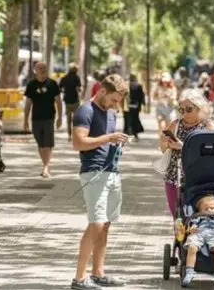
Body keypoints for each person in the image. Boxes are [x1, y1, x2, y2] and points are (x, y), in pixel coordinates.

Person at [71, 74, 129, 289]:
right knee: (95, 223)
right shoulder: (85, 111)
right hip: (93, 172)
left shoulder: (111, 113)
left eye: (118, 101)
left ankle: (98, 272)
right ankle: (79, 278)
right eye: (113, 99)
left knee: (105, 225)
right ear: (103, 91)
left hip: (112, 171)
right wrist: (108, 138)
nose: (115, 105)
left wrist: (117, 143)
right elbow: (78, 143)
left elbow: (105, 139)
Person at [159, 89, 214, 218]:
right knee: (177, 217)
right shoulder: (175, 124)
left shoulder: (208, 126)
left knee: (196, 217)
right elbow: (164, 151)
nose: (184, 113)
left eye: (188, 109)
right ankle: (179, 238)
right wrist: (164, 142)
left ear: (198, 107)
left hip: (198, 178)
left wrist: (182, 146)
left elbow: (208, 152)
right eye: (181, 110)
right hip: (173, 176)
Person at [181, 195, 214, 288]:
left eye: (212, 208)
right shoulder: (199, 218)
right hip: (199, 233)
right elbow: (194, 226)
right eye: (205, 209)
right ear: (200, 212)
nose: (209, 210)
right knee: (192, 247)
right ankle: (189, 272)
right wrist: (192, 230)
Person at [24, 61, 62, 178]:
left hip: (49, 117)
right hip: (36, 118)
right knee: (40, 143)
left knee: (47, 143)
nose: (42, 69)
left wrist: (60, 117)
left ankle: (46, 167)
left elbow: (58, 101)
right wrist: (25, 119)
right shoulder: (31, 85)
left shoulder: (52, 84)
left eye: (44, 67)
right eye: (39, 68)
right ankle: (45, 165)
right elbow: (28, 103)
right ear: (35, 70)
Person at [60, 63, 83, 140]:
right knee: (76, 119)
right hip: (75, 101)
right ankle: (75, 135)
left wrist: (65, 91)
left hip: (67, 101)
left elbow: (60, 88)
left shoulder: (65, 78)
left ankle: (69, 135)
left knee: (68, 119)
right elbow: (78, 89)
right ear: (75, 70)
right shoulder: (76, 78)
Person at [123, 74, 145, 141]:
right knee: (135, 119)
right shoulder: (138, 86)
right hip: (136, 105)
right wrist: (142, 105)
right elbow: (141, 96)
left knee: (127, 120)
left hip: (126, 105)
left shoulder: (125, 85)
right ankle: (135, 134)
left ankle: (126, 134)